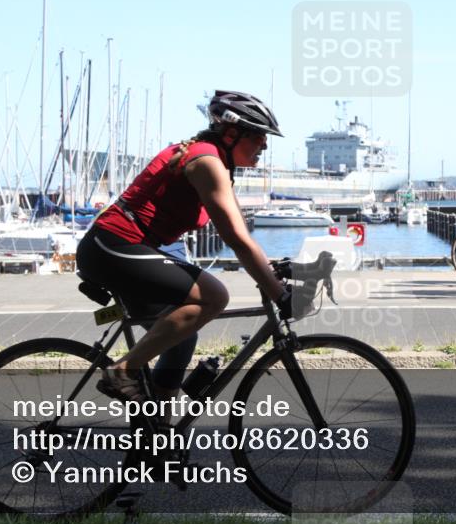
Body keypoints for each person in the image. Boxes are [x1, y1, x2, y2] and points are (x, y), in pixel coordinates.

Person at [75, 90, 293, 405]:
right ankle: (121, 372)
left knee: (180, 338)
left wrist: (270, 271)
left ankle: (158, 442)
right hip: (113, 243)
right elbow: (234, 239)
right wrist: (277, 292)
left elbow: (243, 236)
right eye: (259, 136)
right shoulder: (206, 161)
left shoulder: (218, 164)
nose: (265, 144)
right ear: (231, 133)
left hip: (132, 247)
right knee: (214, 296)